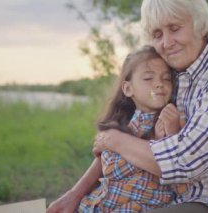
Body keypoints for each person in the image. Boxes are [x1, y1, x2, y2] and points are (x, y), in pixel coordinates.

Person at [48, 0, 208, 212]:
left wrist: (114, 139)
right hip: (167, 199)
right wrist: (75, 194)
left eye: (175, 29)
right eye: (157, 35)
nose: (167, 43)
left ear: (199, 24)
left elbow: (184, 162)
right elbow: (127, 142)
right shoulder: (169, 76)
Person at [48, 45, 187, 213]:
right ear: (128, 89)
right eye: (148, 78)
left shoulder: (172, 121)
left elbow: (180, 179)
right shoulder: (122, 127)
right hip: (100, 204)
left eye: (166, 79)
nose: (159, 84)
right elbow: (109, 168)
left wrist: (170, 133)